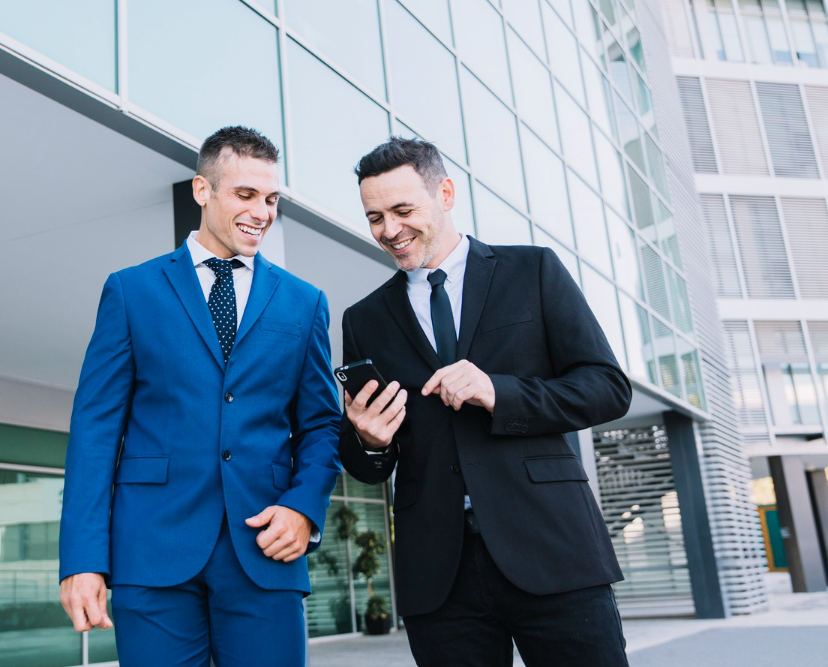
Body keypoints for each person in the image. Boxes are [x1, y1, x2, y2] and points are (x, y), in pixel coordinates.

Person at [339, 137, 632, 667]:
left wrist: (500, 392)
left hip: (552, 549)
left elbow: (608, 388)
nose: (389, 230)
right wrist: (368, 440)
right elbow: (367, 466)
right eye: (375, 216)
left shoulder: (534, 272)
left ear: (445, 193)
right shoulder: (364, 320)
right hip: (440, 574)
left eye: (403, 210)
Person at [58, 126, 342, 667]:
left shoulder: (305, 303)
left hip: (265, 547)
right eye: (245, 194)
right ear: (201, 190)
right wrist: (83, 559)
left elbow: (323, 425)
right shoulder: (131, 290)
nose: (262, 211)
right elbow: (96, 431)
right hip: (151, 550)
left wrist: (304, 508)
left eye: (271, 199)